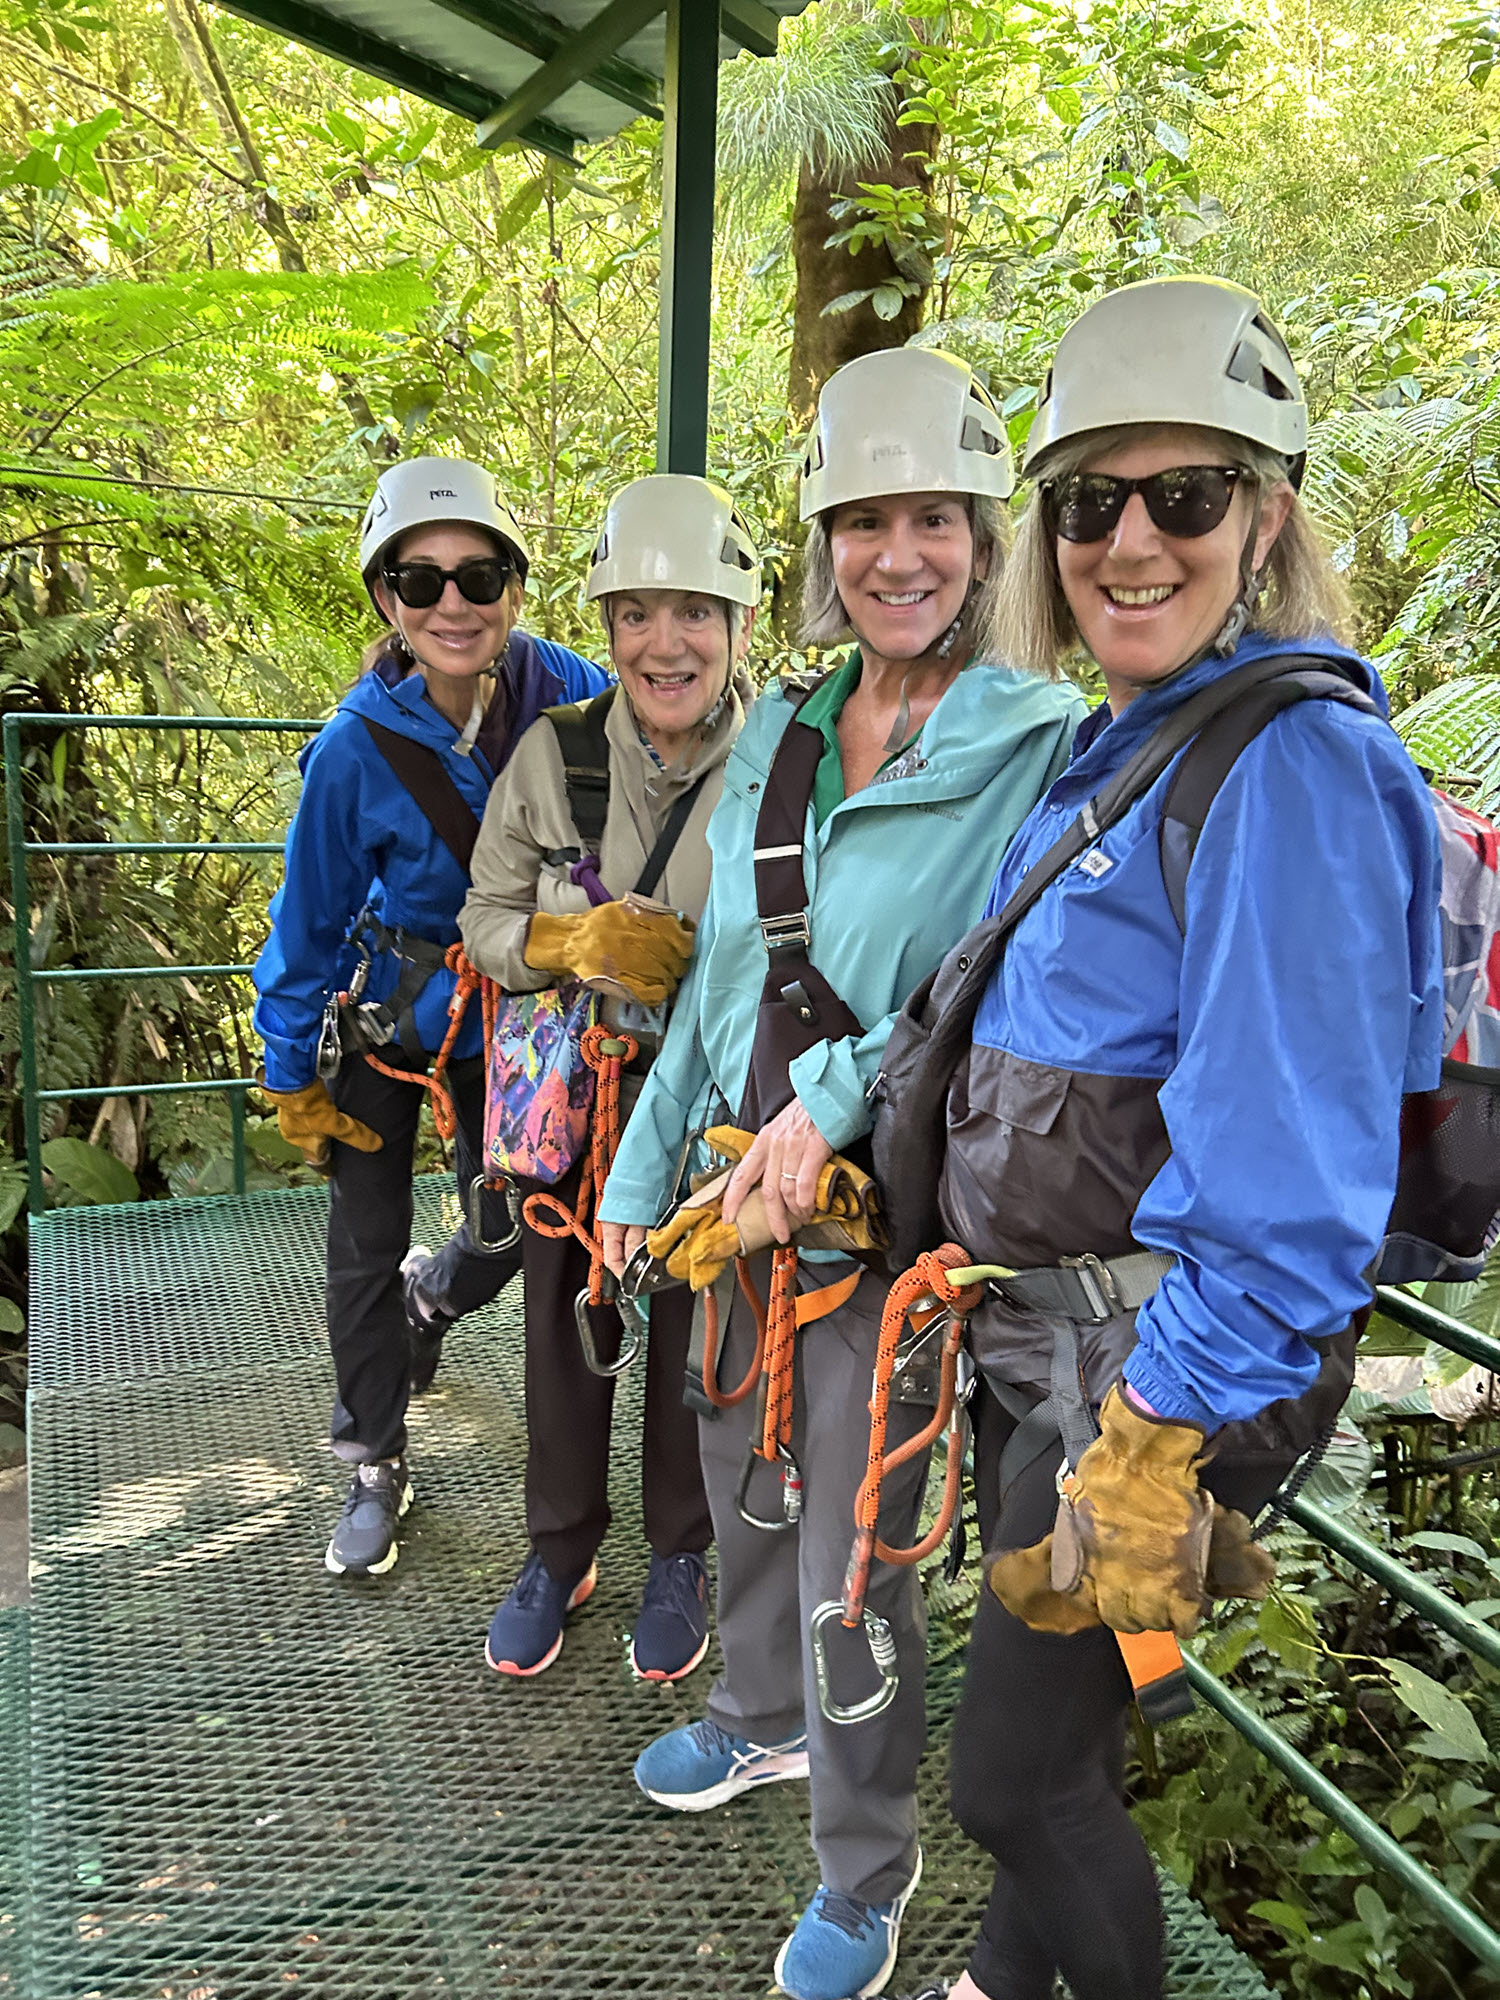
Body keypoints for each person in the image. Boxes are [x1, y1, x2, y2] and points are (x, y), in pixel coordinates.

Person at [889, 278, 1443, 2000]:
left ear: (1266, 515)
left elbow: (1288, 1167)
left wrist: (1155, 1433)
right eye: (1087, 502)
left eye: (1184, 495)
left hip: (1151, 1374)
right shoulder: (1130, 744)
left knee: (1016, 1781)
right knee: (1060, 1743)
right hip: (1053, 1340)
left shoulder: (1293, 768)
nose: (1130, 542)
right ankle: (1007, 1980)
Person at [598, 348, 1085, 2000]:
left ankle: (866, 1869)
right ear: (824, 544)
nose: (899, 554)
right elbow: (725, 979)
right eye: (866, 521)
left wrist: (831, 1102)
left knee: (855, 1545)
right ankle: (756, 1718)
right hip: (741, 1188)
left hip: (887, 1209)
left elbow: (982, 978)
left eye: (934, 518)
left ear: (983, 538)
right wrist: (641, 1174)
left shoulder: (1038, 741)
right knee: (735, 1462)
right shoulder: (790, 731)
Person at [254, 456, 608, 1579]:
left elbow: (673, 732)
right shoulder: (355, 750)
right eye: (421, 580)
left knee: (510, 1223)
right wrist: (288, 1069)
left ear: (514, 586)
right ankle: (373, 1459)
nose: (453, 603)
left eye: (479, 576)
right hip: (393, 1013)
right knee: (362, 1242)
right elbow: (308, 920)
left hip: (515, 1015)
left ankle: (434, 1295)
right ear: (386, 599)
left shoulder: (567, 691)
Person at [458, 474, 759, 1681]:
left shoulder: (782, 759)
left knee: (695, 1315)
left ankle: (680, 1549)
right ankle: (560, 1546)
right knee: (561, 1310)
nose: (663, 642)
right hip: (577, 1099)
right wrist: (572, 939)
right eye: (636, 613)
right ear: (608, 627)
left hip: (710, 1097)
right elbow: (483, 917)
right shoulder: (557, 755)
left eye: (693, 612)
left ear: (739, 622)